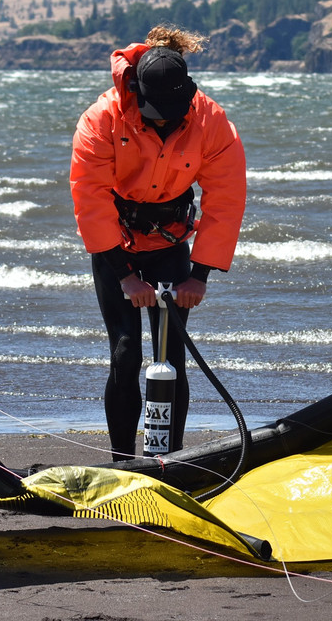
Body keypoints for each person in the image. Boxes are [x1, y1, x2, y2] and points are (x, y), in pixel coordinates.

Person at [70, 25, 247, 461]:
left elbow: (226, 197)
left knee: (169, 357)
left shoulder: (211, 120)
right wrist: (126, 277)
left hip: (170, 245)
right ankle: (122, 460)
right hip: (117, 247)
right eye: (156, 112)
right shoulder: (102, 118)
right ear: (136, 91)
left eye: (174, 110)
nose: (165, 119)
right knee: (127, 352)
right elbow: (89, 200)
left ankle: (173, 459)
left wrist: (200, 275)